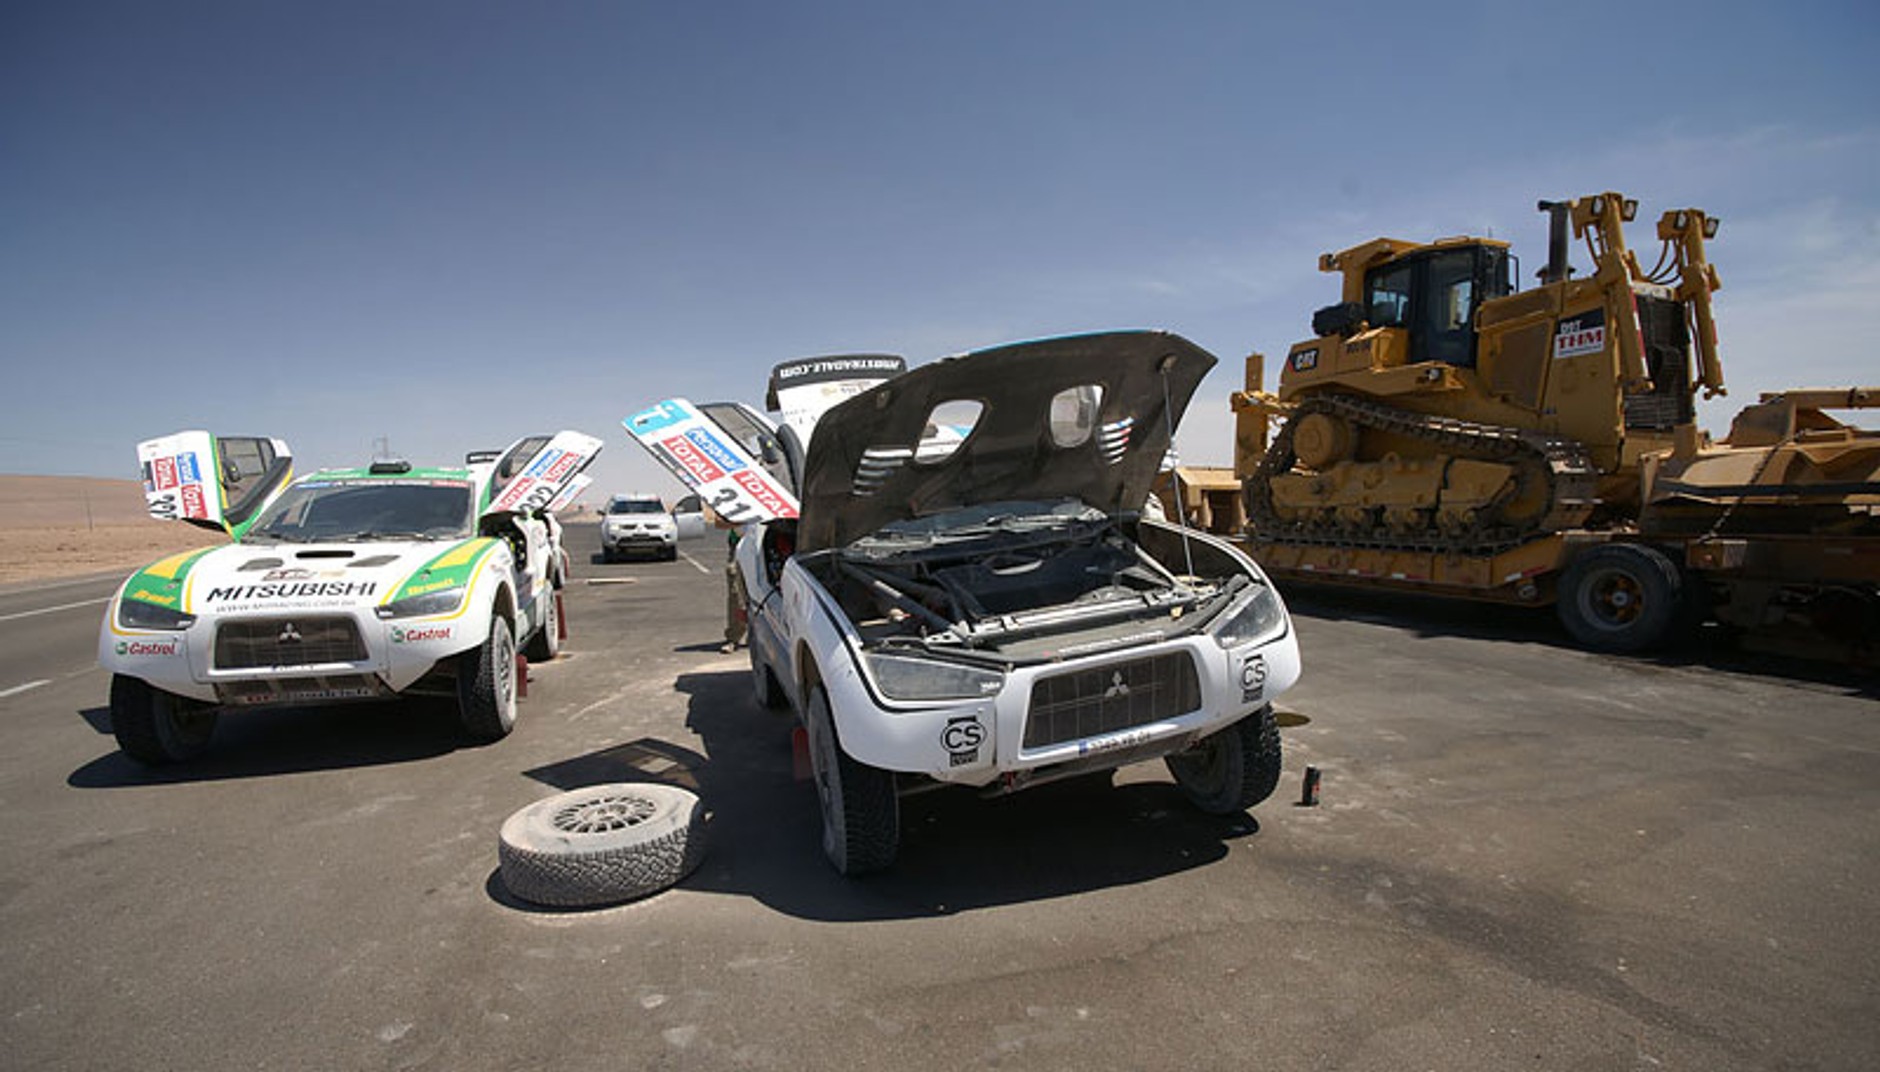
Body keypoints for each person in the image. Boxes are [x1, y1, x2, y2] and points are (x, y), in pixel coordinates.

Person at [715, 509, 746, 653]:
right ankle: (734, 638)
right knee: (736, 594)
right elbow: (718, 522)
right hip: (739, 546)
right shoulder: (732, 499)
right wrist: (744, 519)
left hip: (762, 544)